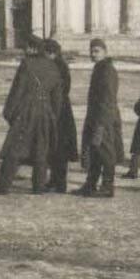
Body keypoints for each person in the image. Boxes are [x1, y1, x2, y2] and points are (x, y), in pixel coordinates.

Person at [0, 38, 63, 195]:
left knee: (15, 148)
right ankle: (38, 186)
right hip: (46, 112)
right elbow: (57, 97)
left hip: (26, 111)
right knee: (41, 149)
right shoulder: (54, 67)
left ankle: (3, 185)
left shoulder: (27, 65)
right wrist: (53, 116)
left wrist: (9, 112)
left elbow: (17, 91)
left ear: (34, 49)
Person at [78, 38, 125, 198]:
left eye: (97, 51)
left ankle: (107, 186)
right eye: (91, 51)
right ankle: (90, 184)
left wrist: (101, 121)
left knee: (104, 151)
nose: (93, 54)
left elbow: (108, 97)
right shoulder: (100, 68)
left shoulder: (107, 70)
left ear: (105, 52)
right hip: (96, 117)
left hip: (103, 118)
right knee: (95, 150)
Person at [44, 39, 79, 193]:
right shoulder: (59, 64)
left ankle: (59, 182)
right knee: (56, 148)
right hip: (62, 109)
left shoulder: (57, 66)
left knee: (59, 148)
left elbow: (61, 88)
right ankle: (55, 180)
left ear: (51, 52)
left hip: (60, 111)